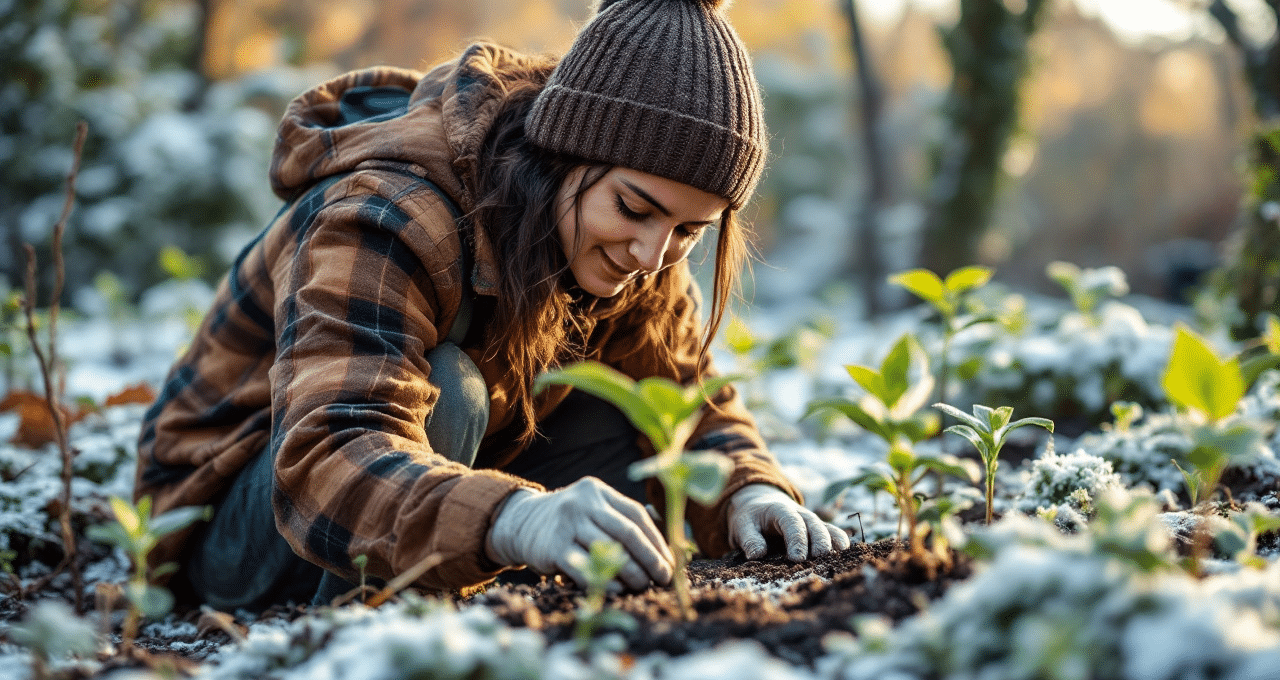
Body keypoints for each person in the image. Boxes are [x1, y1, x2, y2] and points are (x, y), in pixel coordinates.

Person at [135, 0, 851, 612]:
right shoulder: (389, 215)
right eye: (634, 208)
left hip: (418, 477)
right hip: (236, 522)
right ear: (566, 155)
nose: (650, 254)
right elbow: (329, 455)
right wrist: (513, 517)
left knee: (636, 422)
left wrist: (749, 495)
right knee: (451, 389)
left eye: (689, 232)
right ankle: (363, 647)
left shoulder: (640, 248)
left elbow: (686, 396)